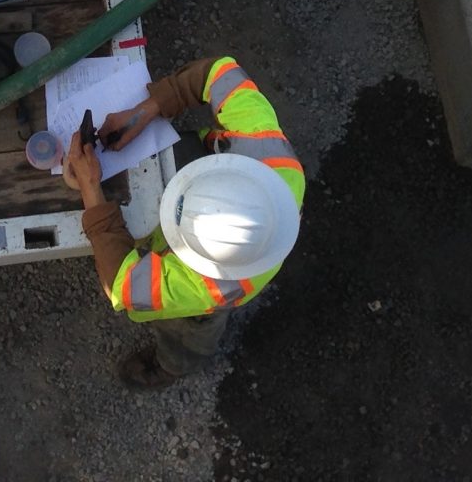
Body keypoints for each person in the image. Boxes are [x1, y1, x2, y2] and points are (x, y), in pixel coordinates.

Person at [62, 54, 304, 388]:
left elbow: (123, 286)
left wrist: (90, 187)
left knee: (190, 330)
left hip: (201, 309)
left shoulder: (211, 287)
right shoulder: (271, 158)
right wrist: (146, 111)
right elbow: (219, 71)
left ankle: (173, 366)